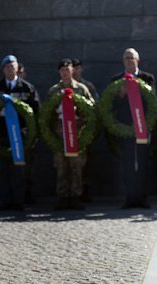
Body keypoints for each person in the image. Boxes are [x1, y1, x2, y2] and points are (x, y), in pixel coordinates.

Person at [0, 54, 40, 211]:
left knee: (19, 169)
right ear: (2, 70)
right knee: (3, 169)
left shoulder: (27, 88)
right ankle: (6, 200)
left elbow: (35, 110)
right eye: (7, 67)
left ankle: (18, 201)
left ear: (17, 69)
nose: (10, 69)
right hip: (1, 133)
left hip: (19, 134)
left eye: (13, 66)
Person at [110, 48, 156, 208]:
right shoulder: (116, 80)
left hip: (143, 126)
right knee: (127, 164)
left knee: (143, 163)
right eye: (126, 58)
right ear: (123, 61)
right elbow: (112, 105)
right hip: (125, 127)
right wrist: (120, 95)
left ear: (138, 60)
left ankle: (143, 197)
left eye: (132, 58)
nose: (129, 61)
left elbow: (153, 102)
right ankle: (130, 197)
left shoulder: (147, 78)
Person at [47, 59, 95, 210]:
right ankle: (62, 197)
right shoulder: (54, 90)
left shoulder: (81, 88)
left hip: (77, 133)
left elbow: (91, 109)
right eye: (62, 70)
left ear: (73, 71)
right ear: (59, 72)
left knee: (76, 166)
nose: (65, 73)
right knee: (61, 166)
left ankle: (75, 196)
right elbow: (47, 113)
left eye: (67, 70)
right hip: (60, 134)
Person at [72, 58, 99, 203]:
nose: (75, 71)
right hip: (66, 131)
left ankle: (85, 190)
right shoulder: (61, 88)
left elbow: (95, 106)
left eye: (77, 68)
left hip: (83, 130)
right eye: (73, 68)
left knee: (86, 162)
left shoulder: (87, 87)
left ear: (81, 69)